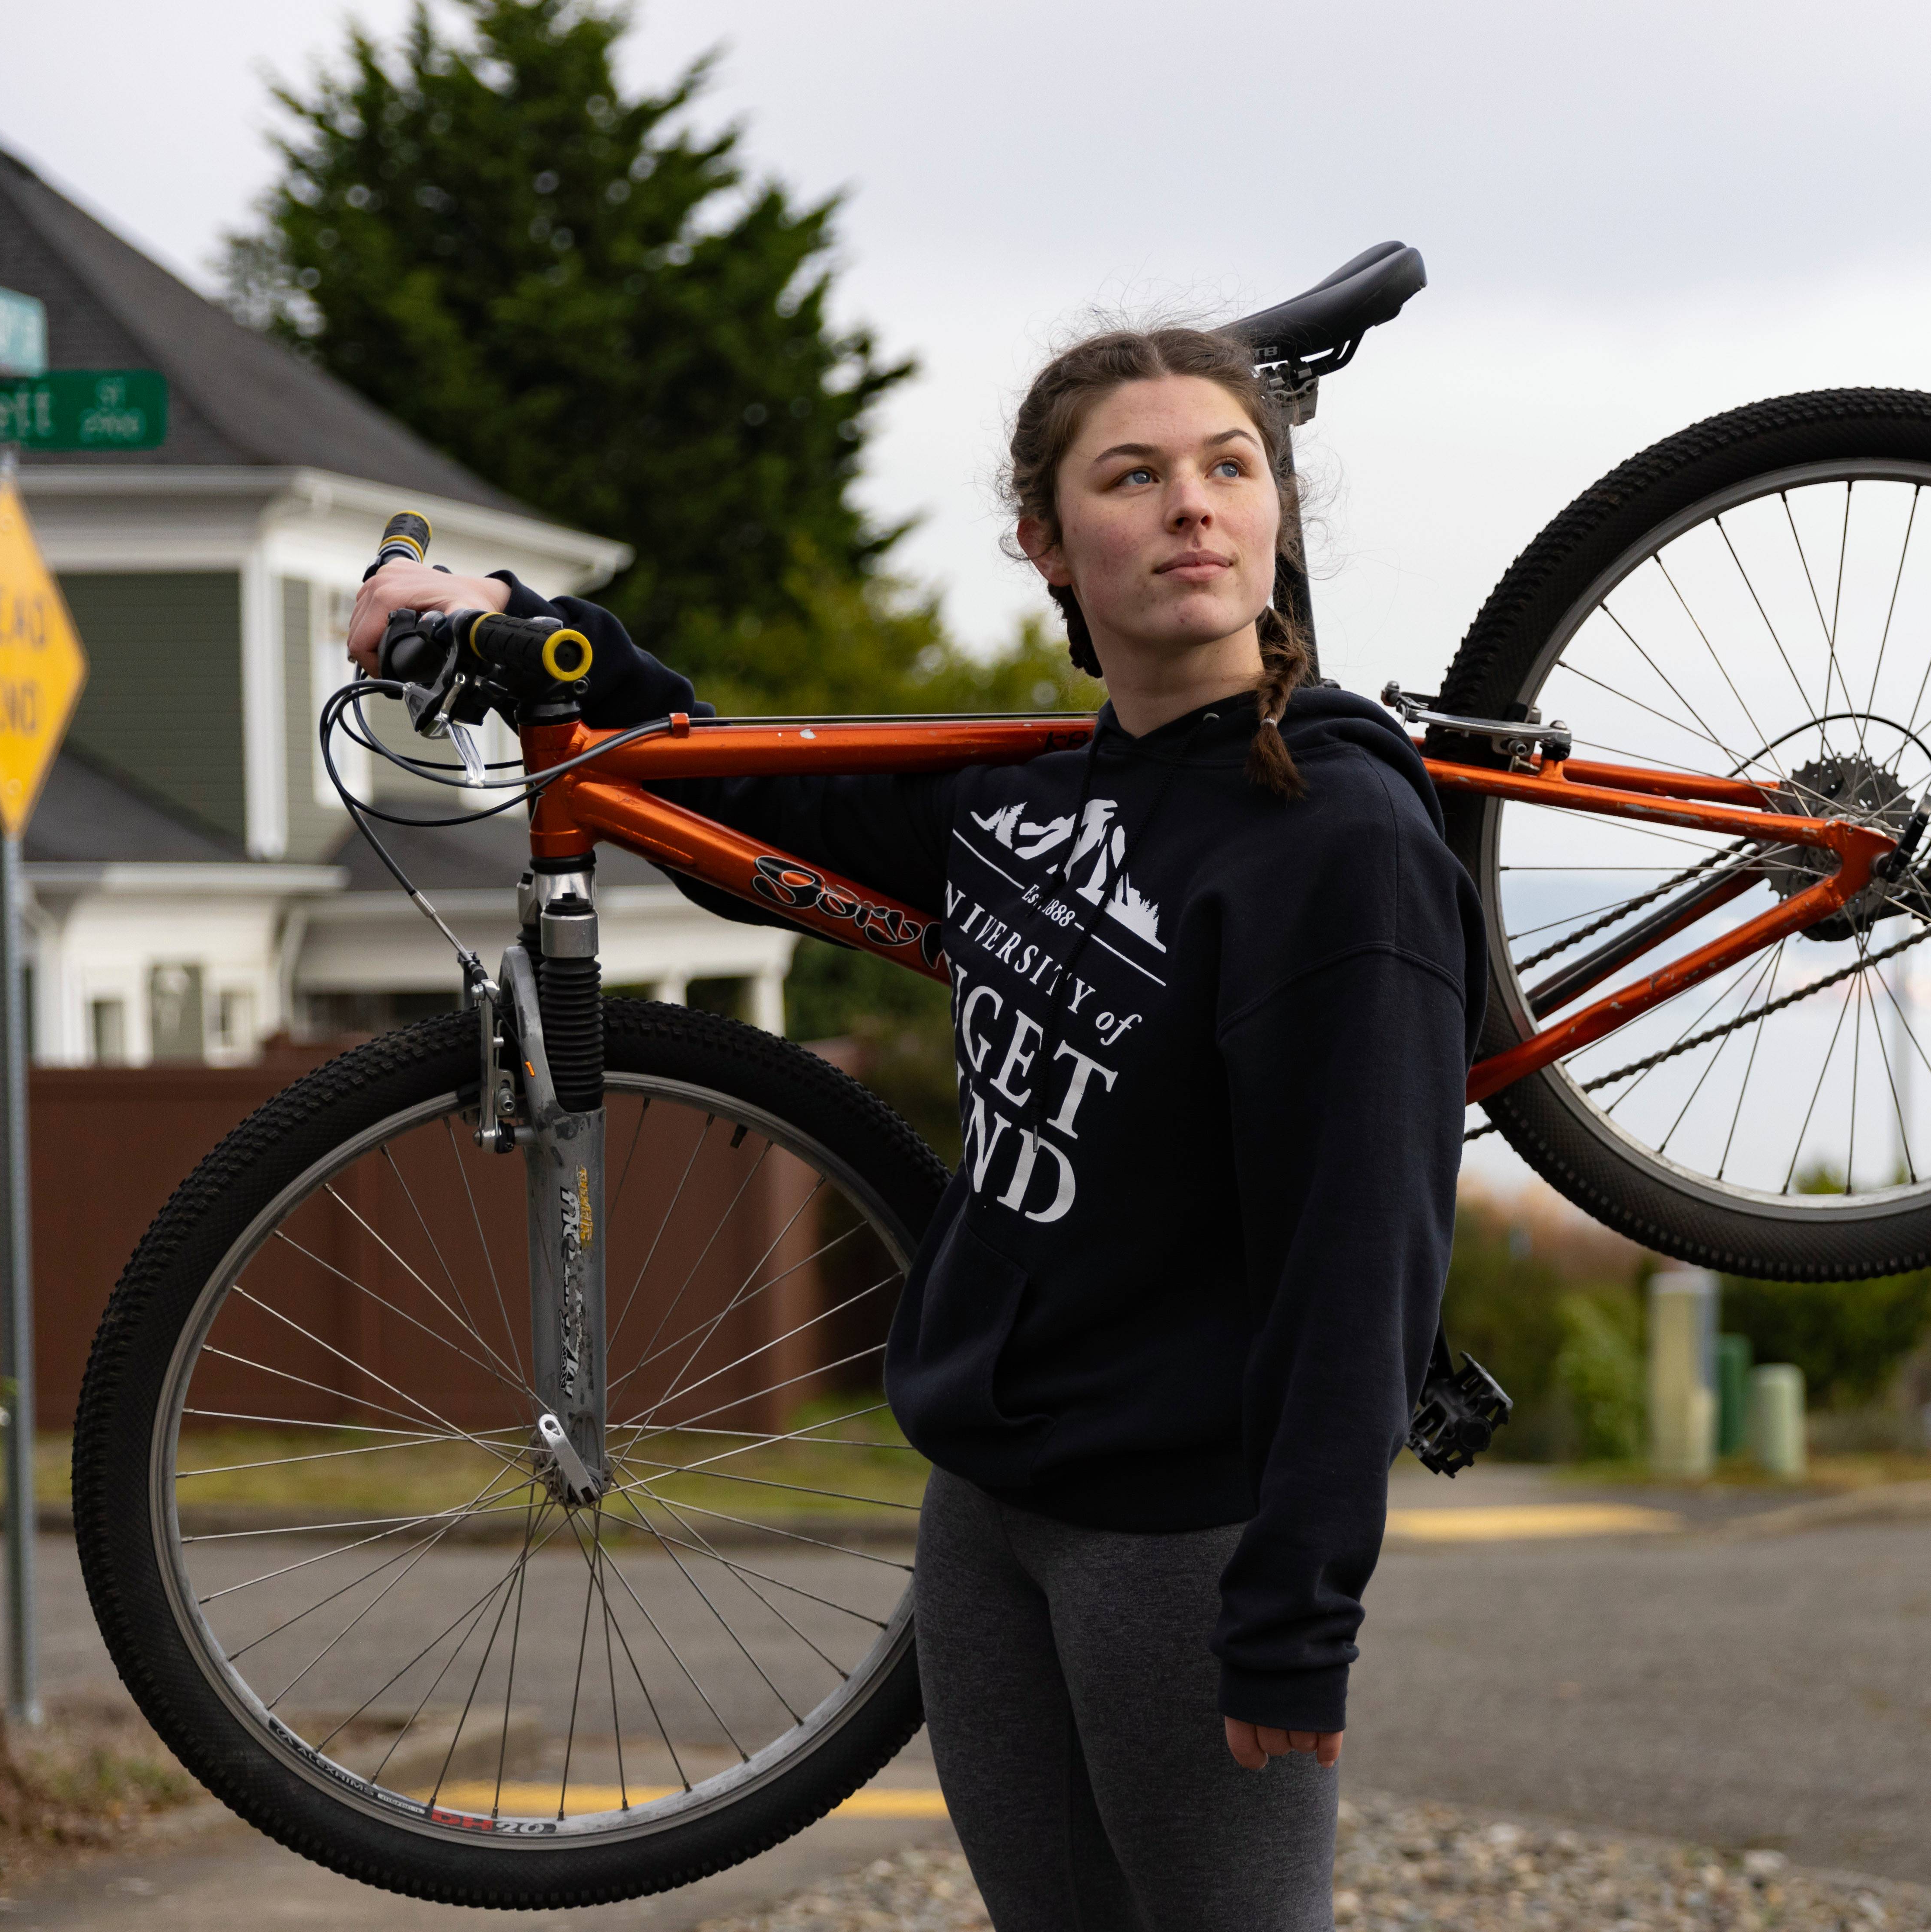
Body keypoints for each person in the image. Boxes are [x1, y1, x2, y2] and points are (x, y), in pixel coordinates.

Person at [348, 325, 1485, 1931]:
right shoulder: (1025, 800)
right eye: (1134, 475)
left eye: (1231, 468)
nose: (1192, 508)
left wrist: (1303, 1604)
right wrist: (534, 642)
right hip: (988, 1507)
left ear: (1280, 517)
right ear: (1045, 538)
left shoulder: (1340, 843)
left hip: (1182, 1532)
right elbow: (736, 794)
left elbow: (1364, 1250)